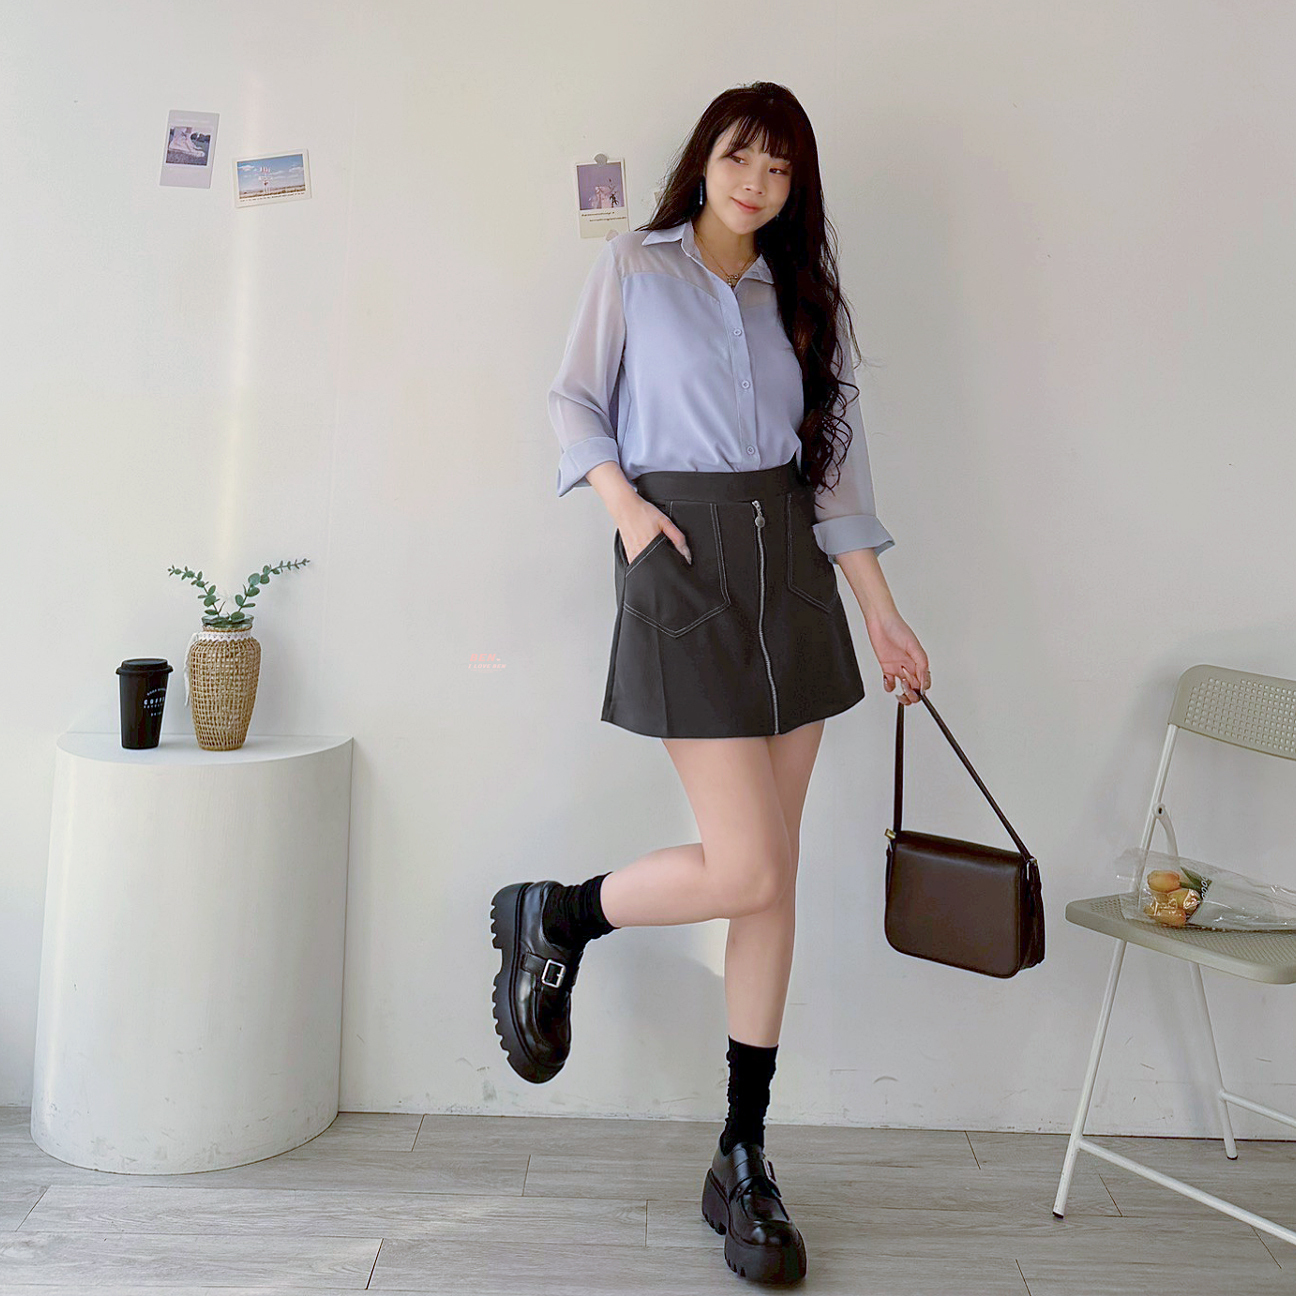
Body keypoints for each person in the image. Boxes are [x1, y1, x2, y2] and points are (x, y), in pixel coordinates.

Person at [491, 81, 931, 1286]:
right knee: (751, 865)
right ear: (705, 160)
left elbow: (832, 472)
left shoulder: (802, 300)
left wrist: (884, 615)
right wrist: (627, 512)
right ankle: (559, 914)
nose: (757, 184)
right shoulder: (635, 268)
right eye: (743, 158)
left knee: (767, 880)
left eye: (781, 170)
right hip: (681, 559)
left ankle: (744, 1153)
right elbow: (572, 399)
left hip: (793, 575)